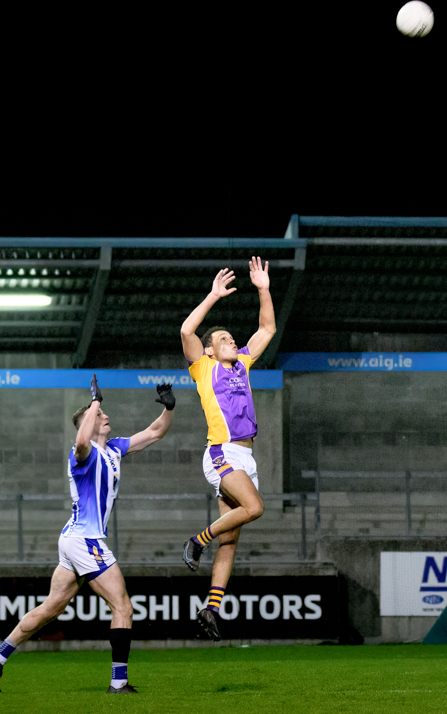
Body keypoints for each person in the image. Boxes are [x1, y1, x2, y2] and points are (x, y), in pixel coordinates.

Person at [0, 376, 176, 694]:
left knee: (53, 607)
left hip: (74, 539)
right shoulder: (81, 455)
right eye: (100, 415)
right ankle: (118, 682)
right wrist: (94, 402)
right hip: (86, 540)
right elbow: (83, 442)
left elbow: (154, 433)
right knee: (123, 606)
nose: (106, 416)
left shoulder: (113, 449)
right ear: (89, 420)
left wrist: (169, 407)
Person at [180, 257, 276, 641]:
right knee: (254, 509)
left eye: (232, 338)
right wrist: (213, 295)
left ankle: (211, 608)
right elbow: (187, 328)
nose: (232, 341)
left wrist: (263, 288)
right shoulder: (203, 367)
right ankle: (197, 540)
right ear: (208, 351)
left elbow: (267, 327)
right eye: (223, 339)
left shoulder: (242, 364)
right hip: (222, 452)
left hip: (244, 457)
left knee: (232, 538)